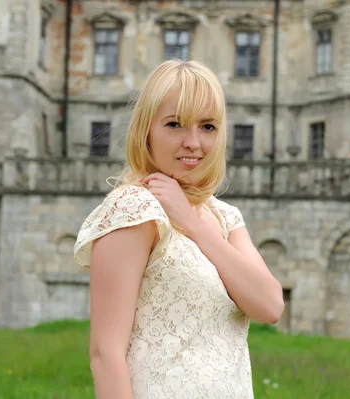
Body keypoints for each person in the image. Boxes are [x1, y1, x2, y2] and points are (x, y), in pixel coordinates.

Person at [73, 59, 284, 399]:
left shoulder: (225, 218)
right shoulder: (134, 208)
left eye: (208, 127)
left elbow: (270, 306)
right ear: (146, 131)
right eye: (175, 124)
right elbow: (104, 354)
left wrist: (192, 224)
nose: (193, 142)